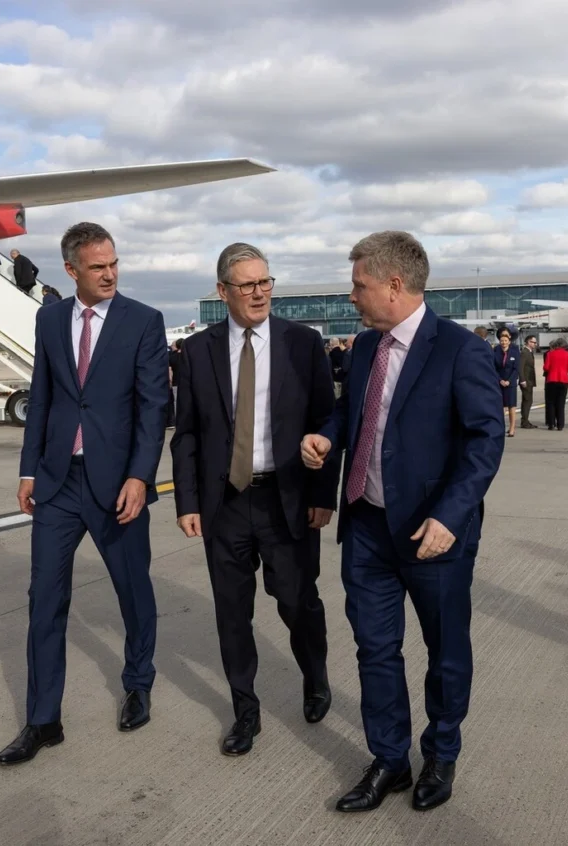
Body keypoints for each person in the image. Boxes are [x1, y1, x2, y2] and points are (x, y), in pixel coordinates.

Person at [301, 231, 504, 813]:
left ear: (394, 284)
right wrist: (327, 437)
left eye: (358, 285)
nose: (351, 296)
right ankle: (389, 758)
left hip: (431, 533)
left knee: (445, 651)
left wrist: (450, 515)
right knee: (374, 649)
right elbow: (350, 411)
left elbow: (484, 441)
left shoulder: (459, 350)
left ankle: (441, 752)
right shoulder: (366, 347)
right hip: (367, 527)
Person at [0, 222, 170, 766]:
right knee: (44, 600)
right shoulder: (49, 319)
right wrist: (29, 470)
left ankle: (138, 683)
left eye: (113, 263)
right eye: (98, 267)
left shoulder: (144, 320)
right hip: (58, 483)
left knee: (133, 591)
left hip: (117, 485)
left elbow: (153, 408)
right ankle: (43, 720)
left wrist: (140, 476)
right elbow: (43, 398)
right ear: (72, 271)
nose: (110, 273)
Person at [171, 243, 338, 756]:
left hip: (286, 499)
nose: (260, 292)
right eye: (247, 285)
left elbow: (326, 421)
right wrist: (187, 501)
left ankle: (315, 676)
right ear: (223, 291)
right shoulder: (197, 351)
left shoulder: (302, 343)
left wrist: (322, 493)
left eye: (265, 282)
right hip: (225, 503)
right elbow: (187, 433)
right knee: (231, 613)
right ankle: (245, 709)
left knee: (297, 601)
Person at [494, 329, 519, 437]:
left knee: (511, 406)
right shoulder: (496, 352)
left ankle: (512, 428)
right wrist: (500, 380)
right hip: (499, 383)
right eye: (502, 341)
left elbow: (516, 369)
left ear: (509, 341)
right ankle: (501, 427)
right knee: (501, 407)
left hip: (511, 383)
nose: (503, 342)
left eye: (505, 340)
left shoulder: (514, 353)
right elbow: (494, 368)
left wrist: (509, 380)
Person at [542, 338, 568, 430]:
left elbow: (546, 367)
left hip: (552, 379)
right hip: (563, 379)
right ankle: (560, 424)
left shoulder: (550, 354)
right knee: (561, 402)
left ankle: (551, 423)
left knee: (551, 402)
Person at [519, 335, 538, 429]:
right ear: (528, 342)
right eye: (533, 342)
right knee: (527, 401)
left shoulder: (529, 352)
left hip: (529, 380)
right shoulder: (524, 353)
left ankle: (525, 420)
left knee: (527, 401)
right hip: (526, 381)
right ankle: (524, 422)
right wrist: (522, 380)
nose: (535, 344)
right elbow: (520, 367)